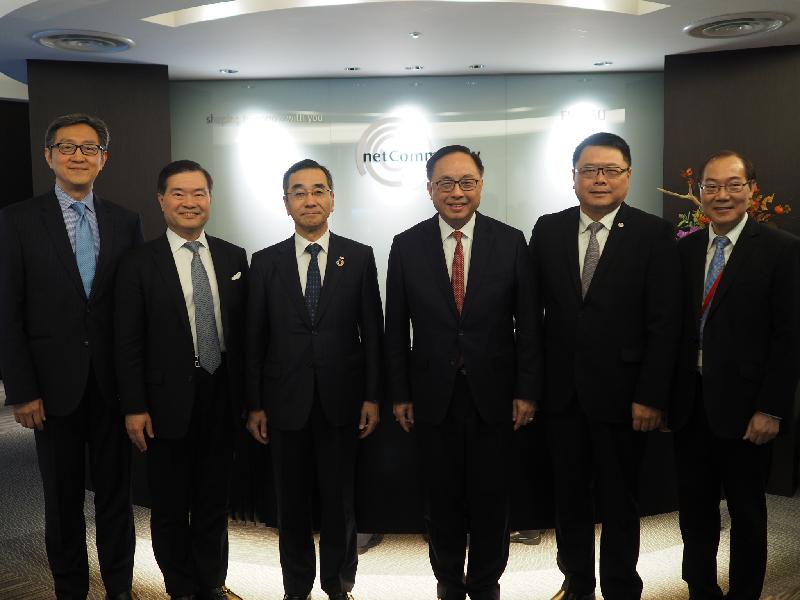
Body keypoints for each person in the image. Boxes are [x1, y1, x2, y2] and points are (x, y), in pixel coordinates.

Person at [528, 132, 681, 600]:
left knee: (619, 501)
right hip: (562, 396)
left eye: (611, 170)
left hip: (625, 396)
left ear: (628, 177)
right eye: (589, 170)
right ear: (573, 177)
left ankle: (619, 586)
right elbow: (533, 317)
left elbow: (665, 323)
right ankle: (576, 582)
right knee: (569, 499)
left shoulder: (654, 233)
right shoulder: (548, 229)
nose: (599, 179)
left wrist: (651, 395)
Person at [385, 145, 540, 600]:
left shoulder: (510, 241)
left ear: (481, 185)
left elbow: (528, 324)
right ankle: (449, 581)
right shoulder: (406, 244)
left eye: (467, 182)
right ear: (430, 188)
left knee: (493, 496)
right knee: (441, 498)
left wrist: (527, 390)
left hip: (495, 394)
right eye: (446, 183)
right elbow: (396, 328)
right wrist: (399, 393)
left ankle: (487, 581)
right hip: (432, 395)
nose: (457, 192)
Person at [0, 113, 140, 599]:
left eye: (89, 148)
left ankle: (120, 586)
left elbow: (131, 310)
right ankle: (70, 589)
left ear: (103, 159)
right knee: (61, 500)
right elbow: (8, 312)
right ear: (49, 156)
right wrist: (22, 390)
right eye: (67, 147)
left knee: (116, 499)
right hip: (50, 388)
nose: (78, 155)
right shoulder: (16, 220)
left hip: (112, 386)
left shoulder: (125, 221)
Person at [245, 159, 383, 600]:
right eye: (299, 192)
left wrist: (373, 396)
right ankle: (296, 588)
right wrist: (255, 404)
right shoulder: (264, 263)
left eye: (318, 190)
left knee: (340, 501)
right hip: (284, 403)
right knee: (292, 504)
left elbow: (373, 334)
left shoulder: (358, 256)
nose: (310, 199)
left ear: (333, 199)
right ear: (286, 203)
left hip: (342, 401)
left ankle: (339, 585)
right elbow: (254, 340)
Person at [115, 160, 247, 600]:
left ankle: (211, 582)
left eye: (198, 194)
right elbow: (128, 342)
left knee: (214, 501)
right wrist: (134, 406)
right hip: (164, 401)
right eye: (178, 194)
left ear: (210, 199)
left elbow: (243, 334)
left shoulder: (233, 256)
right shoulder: (138, 262)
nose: (189, 203)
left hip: (220, 395)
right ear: (161, 201)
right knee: (170, 505)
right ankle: (181, 587)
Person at [670, 150, 800, 600]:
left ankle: (745, 593)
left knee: (747, 512)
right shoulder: (684, 249)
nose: (722, 195)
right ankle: (701, 589)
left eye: (733, 185)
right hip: (690, 406)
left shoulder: (782, 249)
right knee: (694, 511)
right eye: (712, 186)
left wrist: (772, 408)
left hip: (748, 411)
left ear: (751, 189)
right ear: (699, 192)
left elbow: (790, 339)